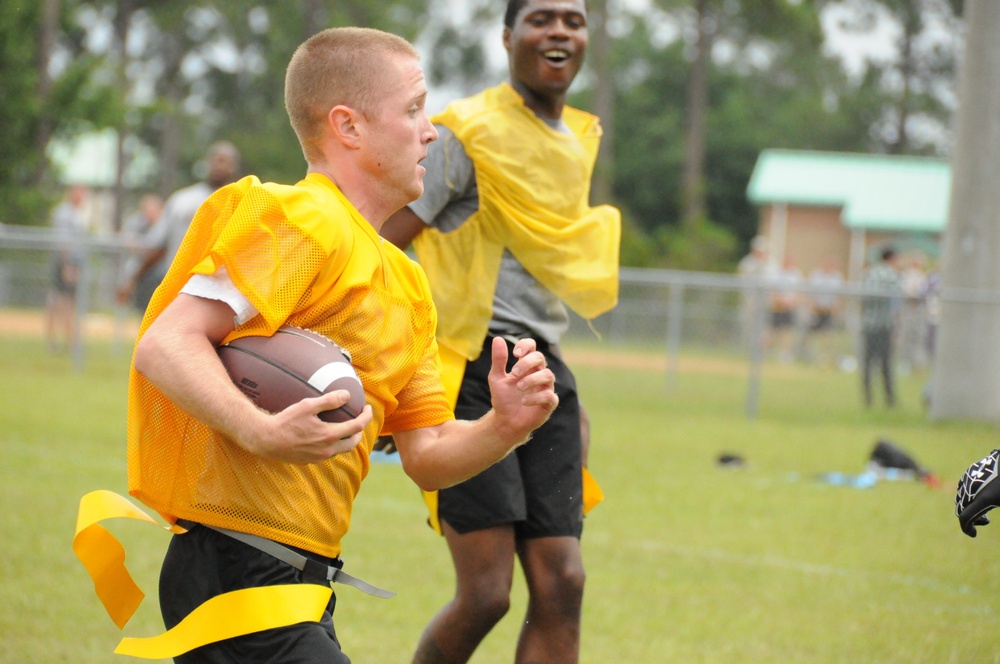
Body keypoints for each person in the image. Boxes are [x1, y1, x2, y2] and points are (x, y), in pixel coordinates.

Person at [117, 27, 559, 662]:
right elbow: (167, 343)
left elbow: (427, 452)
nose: (430, 130)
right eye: (413, 109)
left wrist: (503, 426)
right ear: (348, 127)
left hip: (301, 583)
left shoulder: (406, 281)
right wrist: (257, 429)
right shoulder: (302, 220)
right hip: (234, 568)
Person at [380, 1, 620, 661]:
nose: (560, 31)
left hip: (540, 368)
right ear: (509, 37)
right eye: (541, 18)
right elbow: (376, 242)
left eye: (574, 20)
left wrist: (561, 388)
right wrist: (387, 358)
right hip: (468, 368)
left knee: (563, 580)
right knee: (487, 593)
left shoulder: (577, 137)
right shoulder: (467, 133)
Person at [116, 142, 240, 308]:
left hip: (224, 290)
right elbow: (158, 246)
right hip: (182, 286)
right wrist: (132, 280)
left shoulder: (242, 203)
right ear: (207, 163)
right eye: (217, 160)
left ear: (235, 167)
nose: (220, 166)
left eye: (226, 162)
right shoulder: (182, 200)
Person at [45, 184, 90, 352]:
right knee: (60, 301)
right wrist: (66, 265)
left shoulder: (78, 214)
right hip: (65, 262)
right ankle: (61, 341)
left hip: (72, 262)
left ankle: (68, 341)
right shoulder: (65, 214)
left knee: (67, 301)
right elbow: (63, 241)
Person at [860, 247, 901, 408]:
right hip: (885, 326)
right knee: (885, 365)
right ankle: (890, 400)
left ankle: (868, 399)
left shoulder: (869, 273)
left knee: (868, 365)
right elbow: (896, 302)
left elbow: (864, 299)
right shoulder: (892, 275)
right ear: (892, 259)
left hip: (869, 324)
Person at [117, 193, 164, 313]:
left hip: (159, 274)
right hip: (144, 275)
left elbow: (155, 251)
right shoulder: (139, 224)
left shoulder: (163, 226)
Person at [802, 258, 844, 366]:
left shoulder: (837, 277)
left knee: (827, 334)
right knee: (811, 333)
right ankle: (809, 355)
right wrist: (812, 306)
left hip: (828, 311)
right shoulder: (816, 275)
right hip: (816, 310)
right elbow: (809, 293)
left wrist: (835, 309)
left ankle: (824, 356)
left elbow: (839, 296)